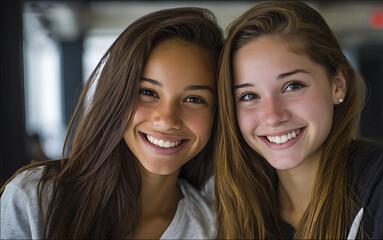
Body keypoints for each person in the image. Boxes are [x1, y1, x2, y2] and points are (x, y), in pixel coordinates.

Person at [1, 7, 223, 239]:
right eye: (148, 92)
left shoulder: (216, 227)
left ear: (218, 113)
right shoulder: (33, 199)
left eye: (194, 99)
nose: (167, 119)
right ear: (116, 95)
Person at [215, 1, 383, 239]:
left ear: (337, 85)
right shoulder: (229, 207)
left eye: (292, 86)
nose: (273, 116)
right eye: (249, 96)